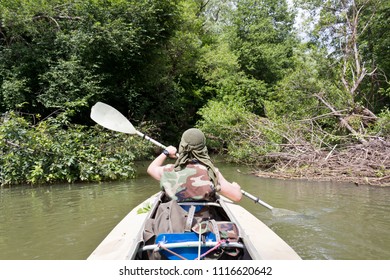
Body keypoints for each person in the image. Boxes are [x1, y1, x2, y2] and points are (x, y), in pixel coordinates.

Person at [147, 128, 242, 202]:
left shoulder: (168, 170)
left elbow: (151, 169)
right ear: (203, 148)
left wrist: (165, 152)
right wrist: (236, 188)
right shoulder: (212, 172)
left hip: (174, 218)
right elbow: (237, 197)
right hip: (202, 222)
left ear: (182, 146)